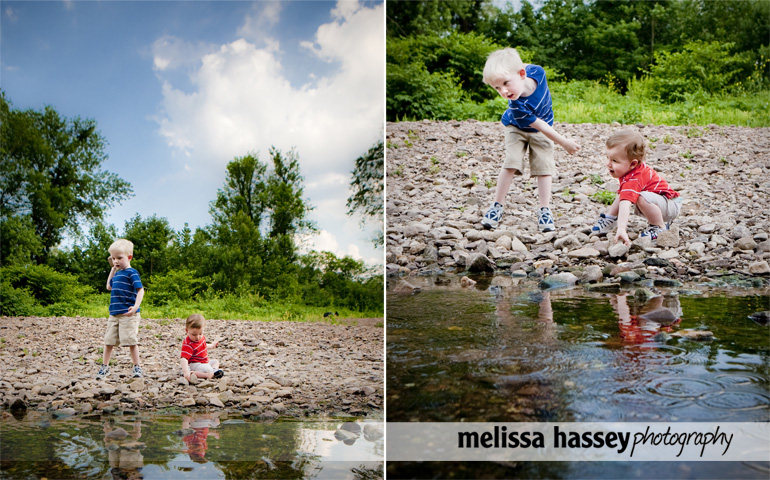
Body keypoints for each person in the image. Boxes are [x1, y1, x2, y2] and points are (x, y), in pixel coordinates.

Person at [481, 47, 580, 231]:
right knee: (511, 162)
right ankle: (497, 205)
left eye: (505, 83)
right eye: (497, 88)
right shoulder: (516, 105)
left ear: (521, 74)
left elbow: (523, 66)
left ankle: (545, 209)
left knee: (543, 166)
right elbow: (540, 126)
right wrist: (564, 142)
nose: (503, 91)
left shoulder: (538, 72)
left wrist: (512, 62)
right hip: (516, 128)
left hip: (542, 128)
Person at [591, 129, 681, 245]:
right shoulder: (632, 169)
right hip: (664, 203)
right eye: (607, 157)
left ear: (633, 163)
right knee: (625, 193)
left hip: (670, 206)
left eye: (614, 160)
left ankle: (660, 227)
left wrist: (622, 228)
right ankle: (610, 218)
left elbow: (625, 204)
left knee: (638, 197)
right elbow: (624, 196)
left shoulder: (635, 178)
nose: (608, 164)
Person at [97, 239, 145, 380]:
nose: (116, 261)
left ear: (129, 257)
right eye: (113, 258)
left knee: (131, 340)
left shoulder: (132, 273)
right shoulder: (117, 273)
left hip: (128, 313)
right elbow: (108, 286)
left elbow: (140, 290)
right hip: (114, 314)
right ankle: (105, 367)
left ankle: (137, 366)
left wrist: (136, 307)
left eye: (119, 258)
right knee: (109, 341)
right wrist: (113, 269)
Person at [180, 314, 224, 383]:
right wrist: (186, 372)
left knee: (215, 362)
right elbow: (184, 358)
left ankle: (214, 370)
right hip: (195, 364)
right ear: (187, 331)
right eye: (194, 334)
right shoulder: (188, 344)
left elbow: (203, 346)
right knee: (209, 373)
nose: (197, 337)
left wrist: (212, 346)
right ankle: (193, 373)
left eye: (200, 333)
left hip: (204, 362)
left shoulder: (201, 338)